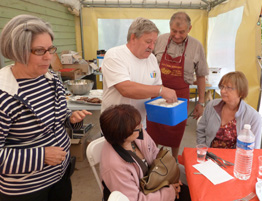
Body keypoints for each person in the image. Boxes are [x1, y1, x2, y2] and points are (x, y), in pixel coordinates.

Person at [0, 15, 92, 200]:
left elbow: (59, 115)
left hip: (60, 176)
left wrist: (71, 119)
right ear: (18, 50)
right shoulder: (5, 95)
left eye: (50, 49)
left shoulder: (51, 78)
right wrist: (41, 156)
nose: (49, 57)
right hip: (26, 189)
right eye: (40, 51)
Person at [147, 12, 209, 159]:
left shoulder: (196, 46)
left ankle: (174, 159)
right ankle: (153, 158)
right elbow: (146, 64)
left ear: (189, 28)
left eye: (182, 32)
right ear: (169, 27)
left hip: (180, 96)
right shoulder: (159, 40)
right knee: (154, 127)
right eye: (174, 31)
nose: (177, 35)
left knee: (176, 129)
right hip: (157, 92)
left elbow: (201, 75)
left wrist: (201, 102)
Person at [99, 104, 190, 201]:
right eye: (136, 127)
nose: (141, 126)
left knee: (189, 192)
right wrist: (169, 192)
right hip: (141, 195)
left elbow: (155, 153)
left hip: (153, 183)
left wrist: (170, 178)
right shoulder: (114, 166)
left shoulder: (137, 135)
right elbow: (135, 199)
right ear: (123, 134)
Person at [101, 17, 177, 127]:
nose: (152, 47)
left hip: (139, 125)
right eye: (148, 42)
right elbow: (126, 89)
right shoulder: (114, 55)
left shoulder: (151, 59)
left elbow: (156, 88)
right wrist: (161, 90)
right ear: (133, 38)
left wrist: (168, 107)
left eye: (154, 42)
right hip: (115, 126)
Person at [196, 71, 262, 149]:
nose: (222, 91)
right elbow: (200, 130)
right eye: (222, 87)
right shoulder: (212, 106)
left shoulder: (253, 117)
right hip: (209, 155)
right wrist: (204, 150)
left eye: (228, 88)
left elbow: (254, 148)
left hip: (237, 158)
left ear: (241, 92)